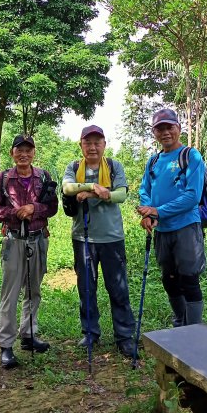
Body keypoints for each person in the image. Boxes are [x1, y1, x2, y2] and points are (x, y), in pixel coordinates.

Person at [62, 125, 136, 358]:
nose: (92, 147)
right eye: (88, 142)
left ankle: (124, 336)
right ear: (81, 145)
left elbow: (121, 195)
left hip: (112, 237)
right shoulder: (73, 167)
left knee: (118, 288)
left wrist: (94, 194)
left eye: (97, 142)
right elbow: (67, 188)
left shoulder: (114, 167)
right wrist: (92, 186)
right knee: (86, 288)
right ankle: (90, 333)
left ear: (104, 145)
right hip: (83, 238)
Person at [0, 134, 58, 369]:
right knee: (10, 293)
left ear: (34, 153)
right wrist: (14, 213)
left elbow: (52, 207)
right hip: (14, 239)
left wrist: (33, 208)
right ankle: (6, 345)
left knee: (34, 290)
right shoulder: (3, 178)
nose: (24, 154)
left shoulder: (43, 177)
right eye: (19, 150)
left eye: (28, 150)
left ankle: (28, 335)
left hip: (38, 239)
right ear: (12, 153)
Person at [137, 108, 206, 327]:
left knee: (189, 278)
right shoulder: (154, 161)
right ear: (154, 132)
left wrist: (158, 211)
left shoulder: (190, 155)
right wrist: (148, 211)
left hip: (186, 226)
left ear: (178, 128)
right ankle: (180, 321)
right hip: (162, 229)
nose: (165, 132)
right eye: (160, 128)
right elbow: (144, 189)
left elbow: (192, 196)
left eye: (170, 127)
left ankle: (193, 329)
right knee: (169, 279)